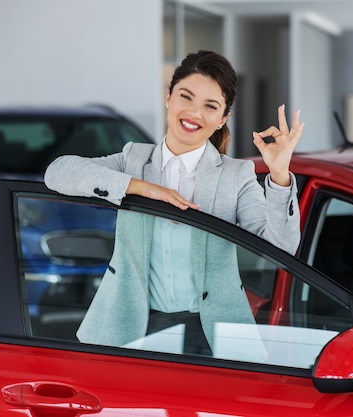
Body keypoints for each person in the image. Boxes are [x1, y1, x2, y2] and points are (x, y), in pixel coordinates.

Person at [44, 50, 304, 357]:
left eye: (210, 106)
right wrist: (142, 189)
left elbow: (282, 246)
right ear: (168, 97)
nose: (194, 113)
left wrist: (279, 174)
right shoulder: (133, 159)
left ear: (223, 119)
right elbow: (58, 172)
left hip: (209, 332)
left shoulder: (235, 175)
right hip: (132, 326)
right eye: (186, 97)